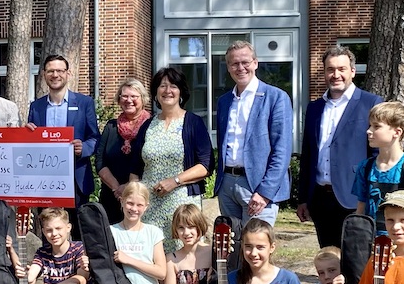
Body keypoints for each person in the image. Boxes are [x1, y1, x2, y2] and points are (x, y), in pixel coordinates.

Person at [296, 45, 383, 247]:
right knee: (329, 258)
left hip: (354, 197)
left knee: (354, 258)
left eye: (341, 69)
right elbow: (308, 155)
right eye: (330, 69)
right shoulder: (315, 108)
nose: (336, 75)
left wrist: (371, 196)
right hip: (320, 198)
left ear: (352, 71)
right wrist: (303, 199)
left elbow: (377, 154)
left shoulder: (370, 103)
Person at [214, 40, 294, 225]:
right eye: (234, 63)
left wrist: (265, 192)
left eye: (245, 62)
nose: (240, 68)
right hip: (227, 185)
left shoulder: (276, 97)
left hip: (257, 187)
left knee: (256, 242)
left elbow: (282, 150)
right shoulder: (224, 101)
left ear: (255, 63)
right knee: (231, 241)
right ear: (228, 67)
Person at [134, 67, 214, 252]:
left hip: (181, 204)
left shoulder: (193, 122)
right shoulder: (148, 125)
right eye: (162, 86)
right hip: (150, 206)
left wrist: (175, 181)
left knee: (182, 252)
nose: (167, 90)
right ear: (156, 92)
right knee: (151, 253)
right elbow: (135, 168)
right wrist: (135, 195)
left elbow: (206, 165)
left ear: (181, 91)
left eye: (173, 86)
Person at [26, 54, 101, 233]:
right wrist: (27, 135)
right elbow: (31, 145)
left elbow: (95, 138)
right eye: (50, 71)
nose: (55, 75)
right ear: (44, 74)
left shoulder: (84, 103)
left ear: (68, 73)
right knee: (49, 232)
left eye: (60, 70)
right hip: (45, 182)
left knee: (78, 233)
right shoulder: (36, 107)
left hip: (76, 179)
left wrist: (84, 148)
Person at [353, 101, 404, 233]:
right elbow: (361, 207)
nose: (369, 131)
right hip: (369, 238)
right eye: (370, 126)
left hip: (398, 239)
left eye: (376, 126)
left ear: (397, 132)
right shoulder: (365, 167)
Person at [109, 182, 166, 284]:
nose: (134, 209)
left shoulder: (153, 232)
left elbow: (161, 272)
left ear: (146, 206)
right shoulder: (111, 232)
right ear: (121, 201)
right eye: (130, 203)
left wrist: (129, 260)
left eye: (139, 205)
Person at [97, 79, 152, 223]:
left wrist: (129, 188)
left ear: (143, 99)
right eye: (125, 96)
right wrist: (117, 188)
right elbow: (100, 162)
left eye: (134, 96)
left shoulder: (151, 127)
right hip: (112, 197)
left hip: (141, 199)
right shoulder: (111, 127)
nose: (129, 100)